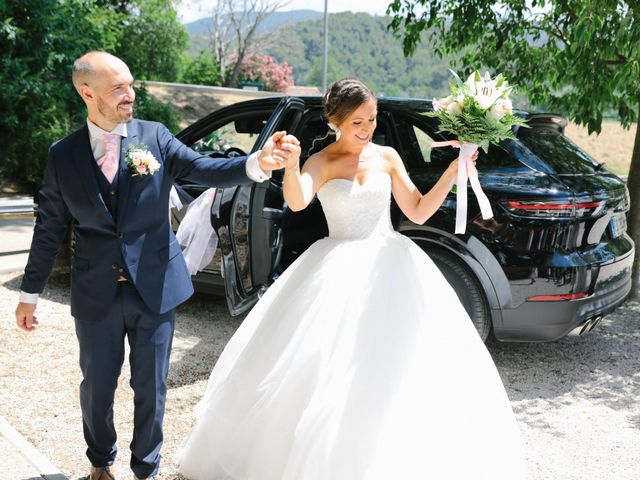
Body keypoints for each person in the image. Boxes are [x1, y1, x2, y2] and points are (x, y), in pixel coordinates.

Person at [177, 77, 527, 479]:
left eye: (373, 119)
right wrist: (291, 167)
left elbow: (415, 211)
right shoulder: (321, 162)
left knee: (400, 366)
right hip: (336, 268)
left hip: (392, 263)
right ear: (335, 120)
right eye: (359, 121)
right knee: (330, 371)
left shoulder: (388, 156)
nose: (368, 128)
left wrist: (451, 172)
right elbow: (296, 200)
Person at [13, 51, 295, 480]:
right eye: (117, 89)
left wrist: (255, 165)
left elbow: (203, 168)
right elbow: (49, 228)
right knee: (96, 387)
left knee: (151, 388)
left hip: (156, 287)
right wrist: (30, 294)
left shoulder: (155, 137)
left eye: (130, 84)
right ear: (87, 93)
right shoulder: (63, 155)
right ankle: (99, 464)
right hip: (95, 293)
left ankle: (146, 469)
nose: (130, 95)